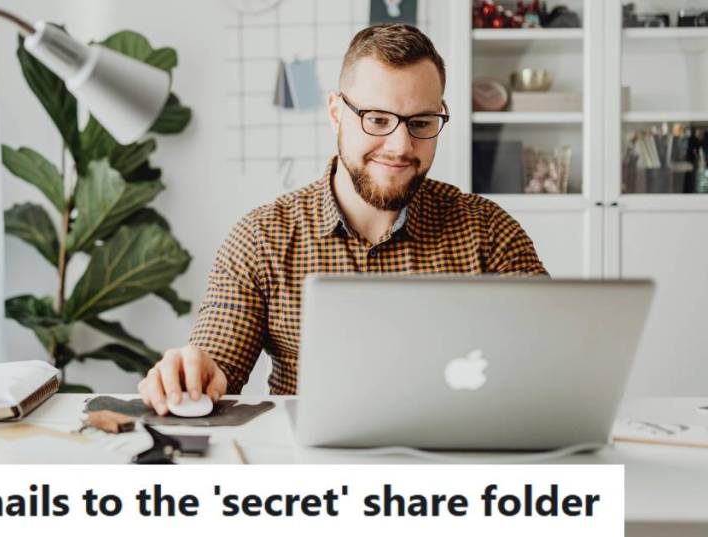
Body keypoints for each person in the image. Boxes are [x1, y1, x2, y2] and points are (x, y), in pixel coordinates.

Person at [138, 23, 547, 415]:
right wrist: (192, 374)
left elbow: (552, 360)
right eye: (377, 119)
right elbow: (217, 362)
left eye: (421, 123)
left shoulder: (489, 232)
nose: (401, 146)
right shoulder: (263, 237)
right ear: (336, 112)